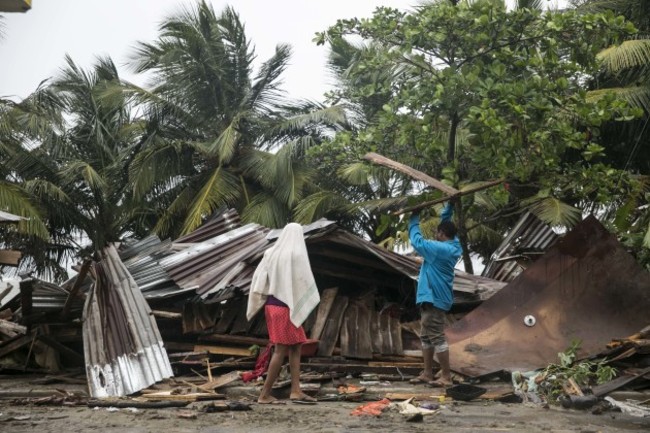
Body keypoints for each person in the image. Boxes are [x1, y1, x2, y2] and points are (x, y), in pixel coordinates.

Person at [246, 222, 321, 404]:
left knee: (296, 346)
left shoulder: (271, 253)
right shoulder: (297, 255)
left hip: (272, 306)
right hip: (286, 307)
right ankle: (264, 395)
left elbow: (259, 279)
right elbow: (303, 281)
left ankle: (296, 390)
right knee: (280, 350)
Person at [408, 202, 462, 387]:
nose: (435, 236)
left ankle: (446, 376)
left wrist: (413, 219)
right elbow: (446, 223)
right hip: (433, 298)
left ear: (440, 234)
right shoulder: (453, 244)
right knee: (426, 336)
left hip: (434, 299)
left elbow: (417, 242)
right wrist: (450, 206)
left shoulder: (439, 250)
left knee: (436, 336)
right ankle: (428, 373)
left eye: (437, 233)